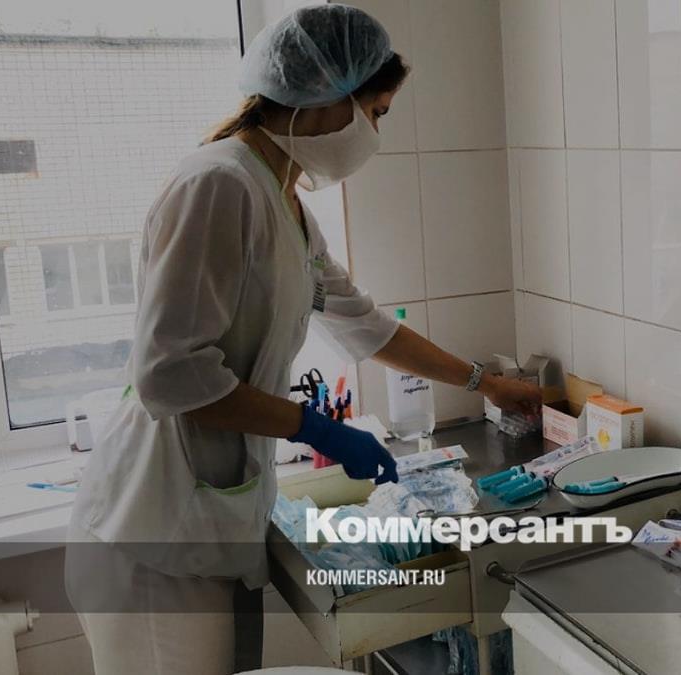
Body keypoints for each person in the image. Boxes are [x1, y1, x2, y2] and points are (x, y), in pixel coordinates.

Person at [63, 6, 540, 674]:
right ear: (323, 98)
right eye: (375, 112)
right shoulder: (217, 185)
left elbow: (362, 322)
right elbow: (169, 374)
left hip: (206, 522)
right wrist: (315, 428)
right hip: (153, 538)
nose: (375, 133)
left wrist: (484, 383)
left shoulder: (283, 202)